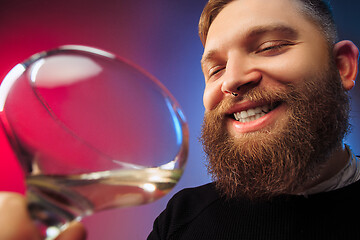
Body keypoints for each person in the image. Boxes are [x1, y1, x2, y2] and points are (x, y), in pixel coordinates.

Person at [0, 0, 359, 239]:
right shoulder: (184, 219)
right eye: (215, 69)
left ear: (342, 66)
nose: (232, 80)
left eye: (269, 47)